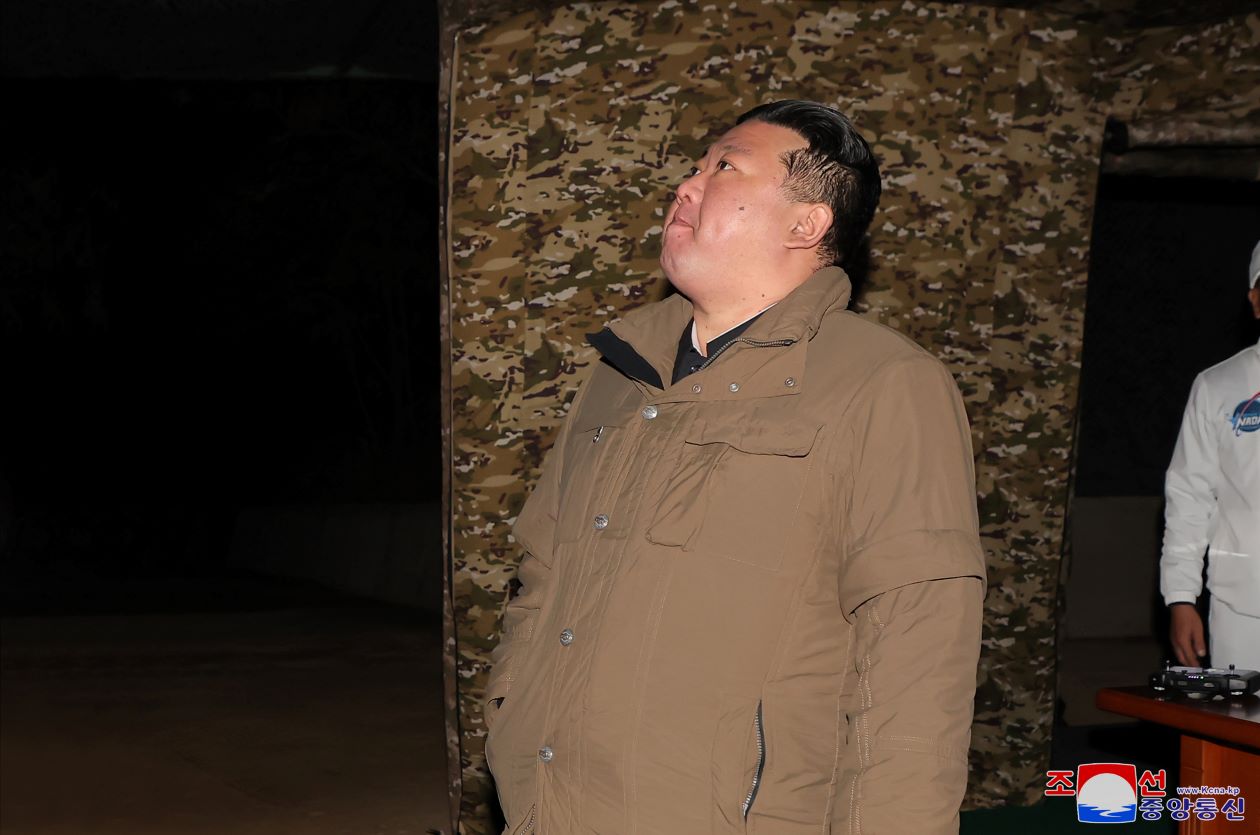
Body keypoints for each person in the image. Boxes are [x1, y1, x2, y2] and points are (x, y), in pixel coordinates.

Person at [481, 100, 986, 835]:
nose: (686, 185)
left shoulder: (885, 383)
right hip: (549, 807)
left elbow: (918, 653)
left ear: (805, 224)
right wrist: (510, 716)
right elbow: (542, 570)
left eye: (724, 167)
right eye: (695, 167)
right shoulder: (620, 374)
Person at [1161, 240, 1260, 672]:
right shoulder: (1218, 385)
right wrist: (1181, 596)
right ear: (1255, 299)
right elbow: (1189, 496)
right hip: (1243, 610)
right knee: (1241, 717)